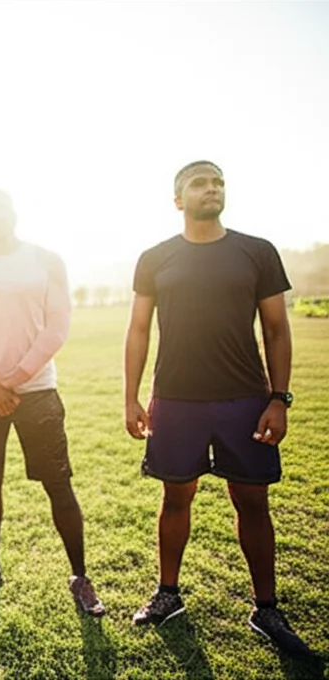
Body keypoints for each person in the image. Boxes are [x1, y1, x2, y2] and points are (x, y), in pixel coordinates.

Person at [124, 161, 313, 656]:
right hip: (176, 399)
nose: (212, 190)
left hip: (245, 400)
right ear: (178, 199)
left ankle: (266, 607)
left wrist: (279, 398)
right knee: (175, 498)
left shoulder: (257, 252)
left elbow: (276, 328)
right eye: (200, 184)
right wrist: (131, 396)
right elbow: (139, 329)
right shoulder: (155, 258)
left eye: (218, 183)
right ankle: (168, 595)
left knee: (252, 502)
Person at [0, 189, 105, 616]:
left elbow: (58, 324)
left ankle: (80, 576)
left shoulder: (45, 259)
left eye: (2, 207)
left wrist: (15, 380)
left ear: (15, 213)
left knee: (59, 484)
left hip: (37, 392)